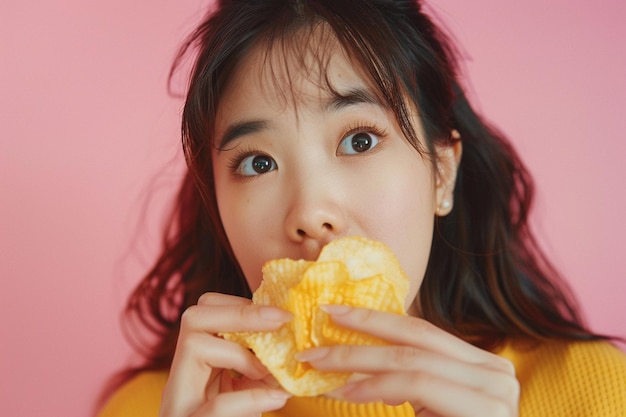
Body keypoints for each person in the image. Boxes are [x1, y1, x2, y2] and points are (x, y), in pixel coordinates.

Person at [96, 0, 626, 416]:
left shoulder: (600, 393)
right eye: (257, 162)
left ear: (442, 173)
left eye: (359, 141)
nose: (310, 212)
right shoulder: (151, 409)